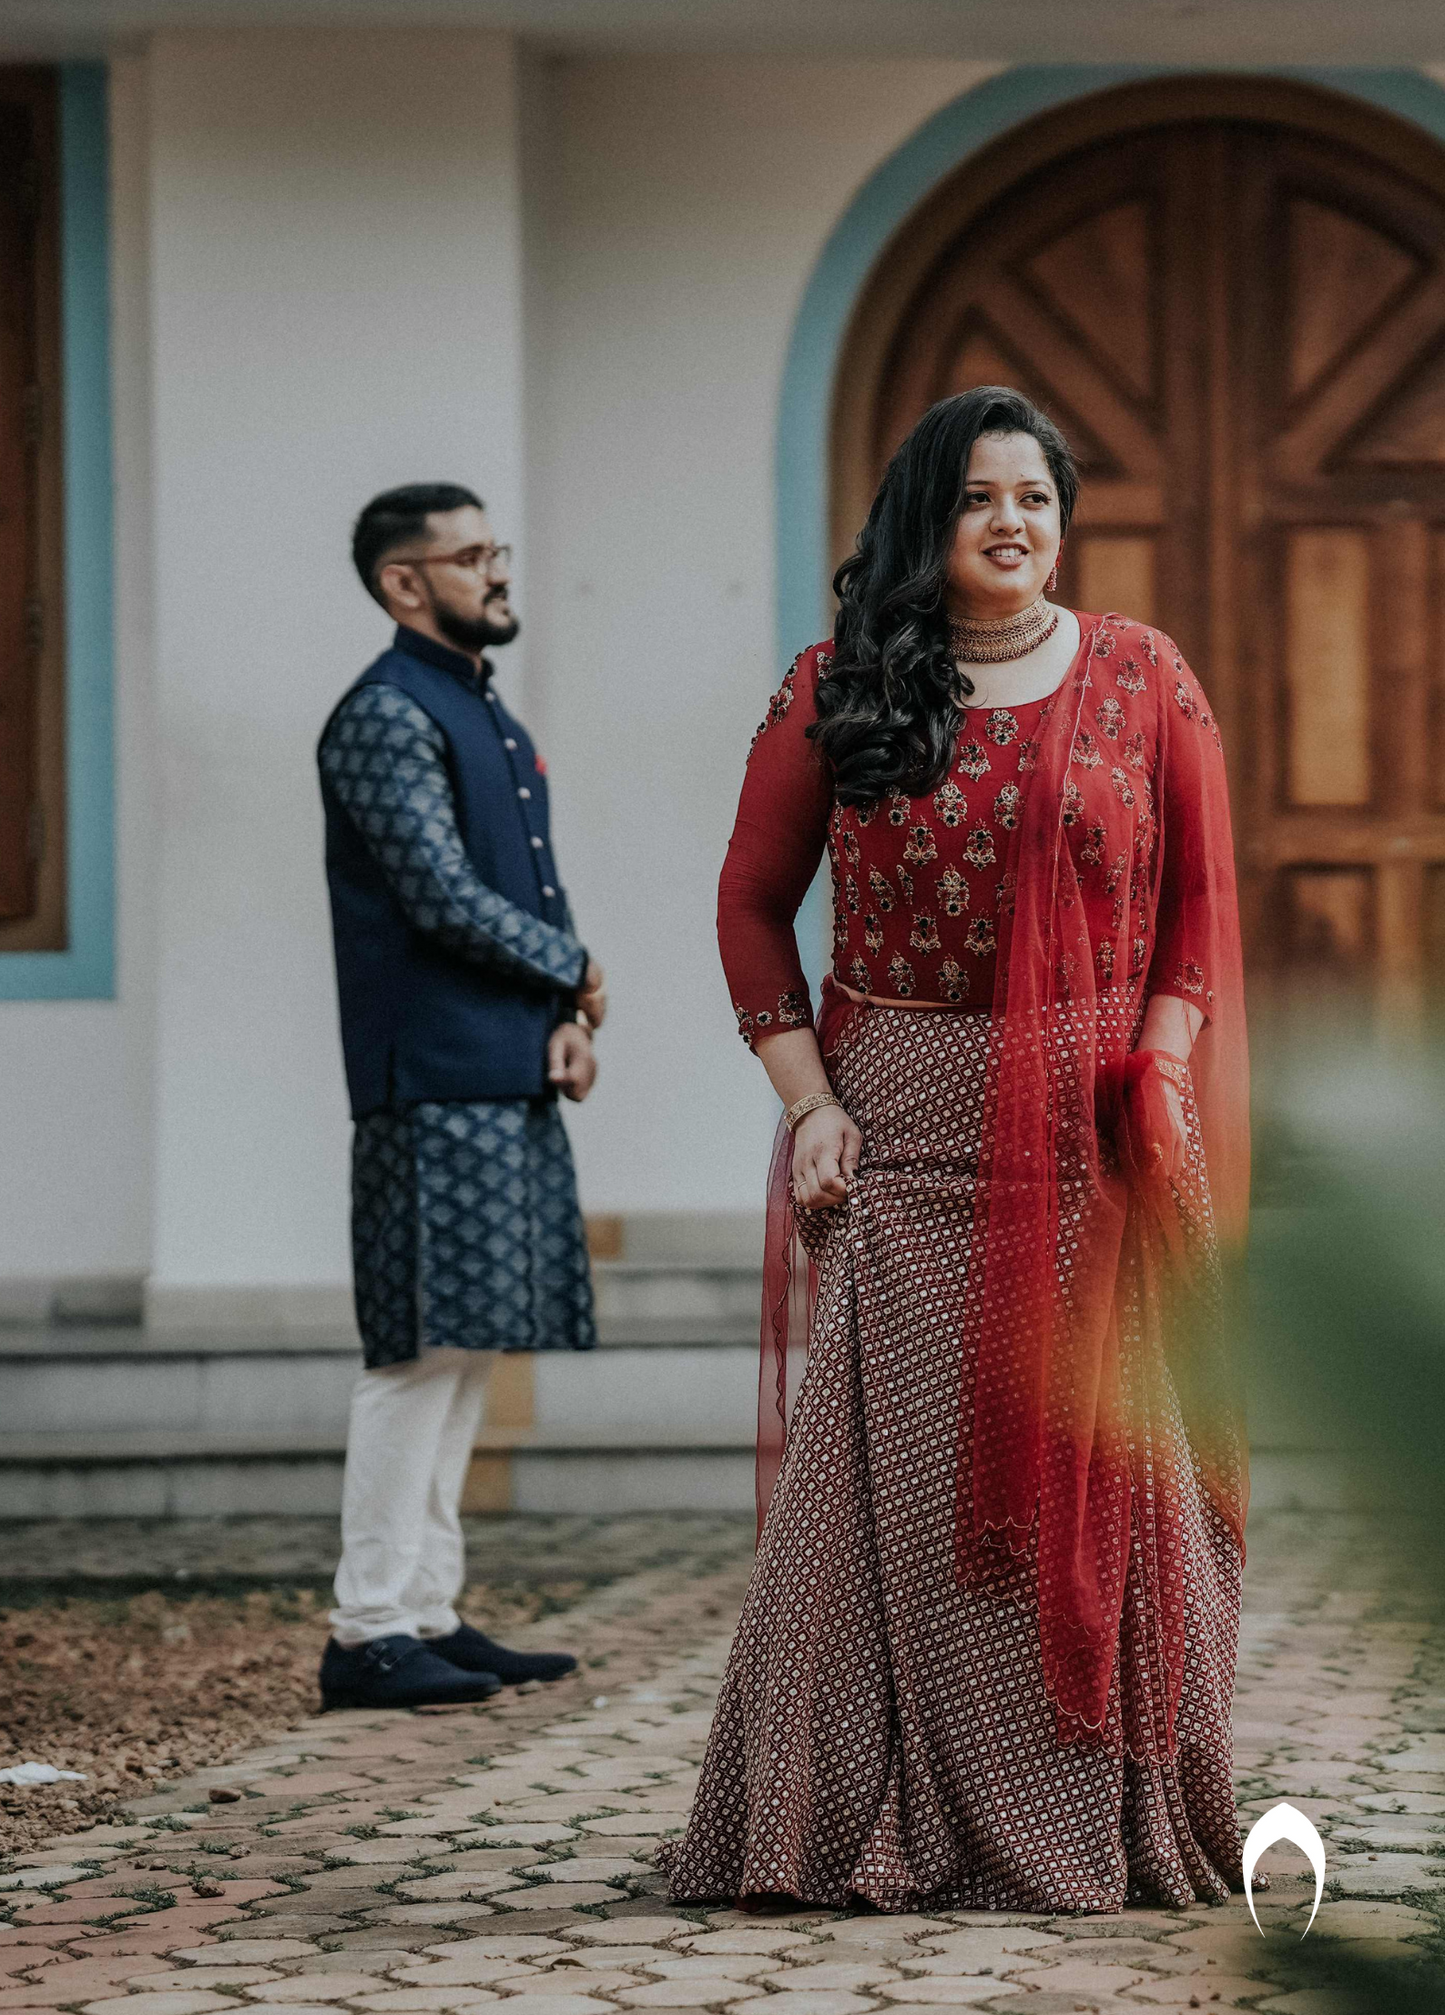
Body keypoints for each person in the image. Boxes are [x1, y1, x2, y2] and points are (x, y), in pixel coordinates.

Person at [661, 388, 1250, 1912]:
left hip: (1091, 1130)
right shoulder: (838, 687)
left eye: (1036, 499)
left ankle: (1100, 1816)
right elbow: (746, 904)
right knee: (912, 1485)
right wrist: (811, 1103)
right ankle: (878, 1807)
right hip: (905, 1125)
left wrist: (1160, 1076)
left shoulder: (1141, 679)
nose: (1012, 524)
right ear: (924, 521)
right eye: (978, 498)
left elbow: (1194, 913)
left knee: (1103, 1465)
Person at [315, 482, 606, 1710]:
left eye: (498, 549)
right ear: (402, 582)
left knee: (469, 1340)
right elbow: (437, 894)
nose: (496, 570)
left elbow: (524, 883)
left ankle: (426, 1608)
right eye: (471, 554)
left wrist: (560, 1018)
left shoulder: (474, 707)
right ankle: (366, 1629)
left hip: (498, 1061)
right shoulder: (383, 715)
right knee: (416, 1350)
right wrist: (578, 972)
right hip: (426, 1076)